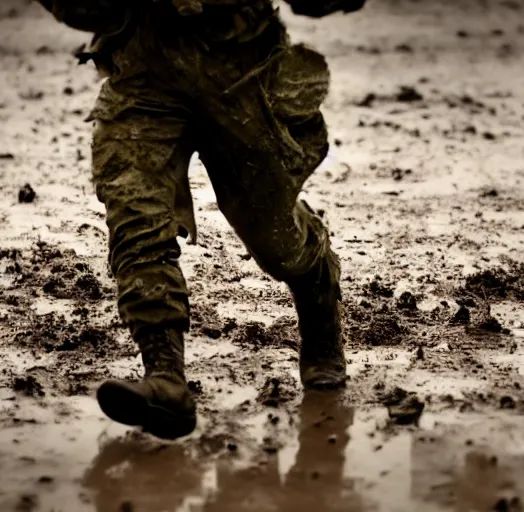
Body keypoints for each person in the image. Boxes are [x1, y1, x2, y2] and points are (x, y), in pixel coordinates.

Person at [36, 0, 365, 439]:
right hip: (143, 73)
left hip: (242, 72)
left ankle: (318, 295)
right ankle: (164, 376)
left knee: (276, 241)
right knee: (137, 218)